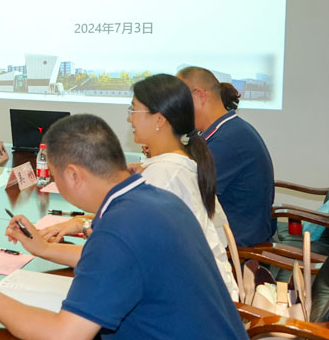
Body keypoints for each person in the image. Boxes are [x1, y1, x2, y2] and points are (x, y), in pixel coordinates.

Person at [0, 114, 247, 340]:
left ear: (73, 174)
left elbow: (64, 334)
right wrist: (44, 249)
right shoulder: (156, 200)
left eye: (55, 176)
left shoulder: (119, 227)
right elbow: (121, 263)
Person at [40, 74, 237, 299]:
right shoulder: (173, 164)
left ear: (159, 119)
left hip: (194, 299)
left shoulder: (163, 176)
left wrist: (45, 248)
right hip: (202, 290)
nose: (129, 119)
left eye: (133, 110)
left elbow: (111, 256)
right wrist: (82, 222)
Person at [178, 66, 275, 247]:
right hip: (229, 235)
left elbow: (185, 194)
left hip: (235, 249)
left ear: (200, 95)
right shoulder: (228, 130)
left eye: (179, 99)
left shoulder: (227, 141)